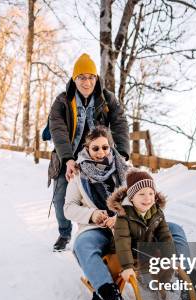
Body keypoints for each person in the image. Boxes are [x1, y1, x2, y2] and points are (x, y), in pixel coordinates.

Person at [64, 126, 196, 300]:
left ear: (111, 147)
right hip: (99, 229)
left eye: (105, 148)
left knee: (175, 229)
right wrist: (93, 214)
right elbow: (69, 208)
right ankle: (111, 299)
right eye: (95, 148)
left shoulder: (125, 170)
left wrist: (123, 216)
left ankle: (188, 282)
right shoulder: (78, 176)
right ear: (87, 149)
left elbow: (140, 197)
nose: (101, 153)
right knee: (83, 245)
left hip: (131, 224)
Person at [107, 169, 196, 300]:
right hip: (130, 253)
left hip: (148, 248)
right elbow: (122, 242)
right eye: (142, 194)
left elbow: (165, 235)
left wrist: (171, 257)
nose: (148, 198)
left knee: (169, 252)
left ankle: (187, 287)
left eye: (151, 193)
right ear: (131, 197)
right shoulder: (123, 215)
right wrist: (127, 267)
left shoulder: (156, 211)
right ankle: (174, 289)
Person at [48, 53, 130, 252]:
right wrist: (67, 159)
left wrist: (122, 155)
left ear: (97, 79)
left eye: (91, 77)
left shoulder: (107, 98)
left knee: (106, 195)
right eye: (82, 77)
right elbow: (58, 130)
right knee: (61, 198)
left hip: (98, 156)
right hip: (67, 156)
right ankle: (64, 233)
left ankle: (106, 232)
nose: (87, 82)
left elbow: (120, 123)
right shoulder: (62, 101)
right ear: (74, 79)